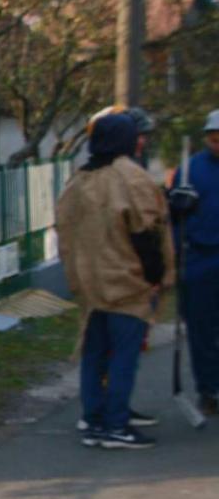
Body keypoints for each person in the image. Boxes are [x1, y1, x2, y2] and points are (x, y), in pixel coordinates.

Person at [57, 110, 174, 449]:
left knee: (94, 354)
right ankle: (116, 425)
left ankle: (94, 419)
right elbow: (146, 233)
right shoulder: (129, 177)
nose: (142, 141)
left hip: (90, 284)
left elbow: (65, 232)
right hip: (126, 283)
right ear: (126, 140)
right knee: (124, 356)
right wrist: (155, 276)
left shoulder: (78, 180)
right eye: (137, 136)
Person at [168, 109, 219, 416]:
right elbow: (173, 220)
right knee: (202, 330)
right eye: (214, 137)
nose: (218, 143)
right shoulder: (190, 170)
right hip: (199, 259)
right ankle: (209, 390)